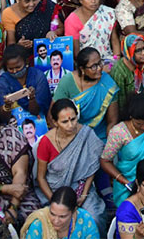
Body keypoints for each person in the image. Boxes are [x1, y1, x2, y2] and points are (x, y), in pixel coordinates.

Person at [35, 99, 105, 228]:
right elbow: (41, 177)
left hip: (81, 188)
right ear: (55, 122)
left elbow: (91, 168)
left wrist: (83, 195)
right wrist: (54, 200)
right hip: (54, 191)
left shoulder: (86, 134)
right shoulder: (46, 142)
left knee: (95, 218)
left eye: (73, 119)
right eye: (65, 122)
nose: (71, 125)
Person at [52, 46, 119, 142]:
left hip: (99, 136)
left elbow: (112, 122)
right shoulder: (67, 82)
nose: (100, 68)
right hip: (72, 135)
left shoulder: (108, 84)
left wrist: (108, 148)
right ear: (82, 69)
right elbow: (53, 114)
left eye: (100, 63)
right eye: (94, 66)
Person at [111, 33, 144, 112]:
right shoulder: (120, 71)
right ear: (129, 53)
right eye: (138, 51)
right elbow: (121, 104)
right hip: (132, 115)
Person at [22, 186, 102, 239]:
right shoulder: (39, 224)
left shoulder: (85, 220)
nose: (56, 221)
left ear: (74, 211)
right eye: (52, 214)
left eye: (62, 216)